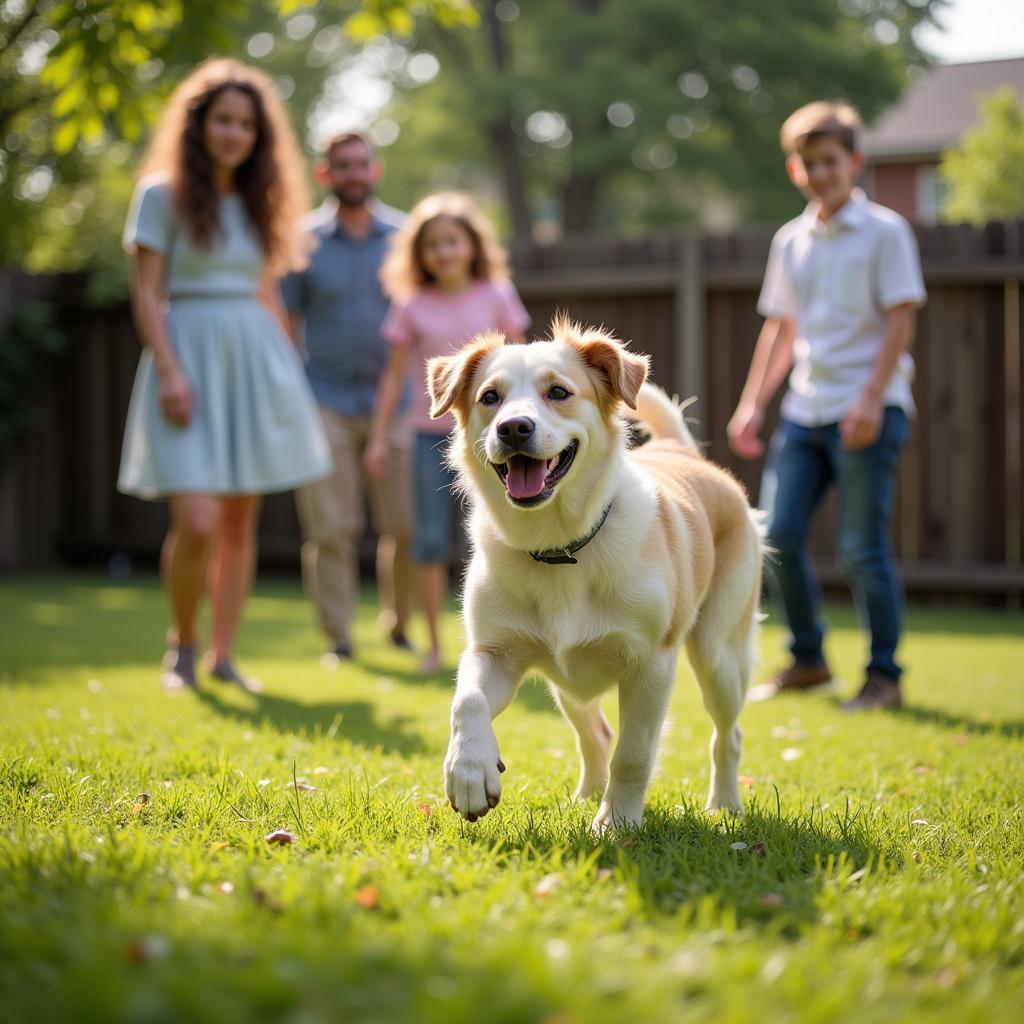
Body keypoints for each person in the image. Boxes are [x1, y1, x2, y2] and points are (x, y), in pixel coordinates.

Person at [118, 58, 332, 692]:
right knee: (199, 521)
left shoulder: (264, 203)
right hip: (185, 355)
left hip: (256, 361)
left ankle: (224, 655)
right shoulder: (161, 195)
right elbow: (146, 294)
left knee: (240, 522)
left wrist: (287, 378)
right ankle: (181, 645)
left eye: (245, 123)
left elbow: (268, 294)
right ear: (199, 124)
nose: (234, 133)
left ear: (259, 135)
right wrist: (170, 371)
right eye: (223, 120)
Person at [726, 100, 926, 711]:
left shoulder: (886, 232)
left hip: (870, 408)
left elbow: (900, 321)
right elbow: (781, 330)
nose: (820, 174)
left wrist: (869, 400)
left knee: (862, 549)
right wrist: (752, 404)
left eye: (831, 162)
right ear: (795, 170)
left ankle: (883, 676)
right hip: (804, 412)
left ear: (855, 163)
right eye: (809, 164)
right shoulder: (791, 241)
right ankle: (808, 659)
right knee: (776, 538)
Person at [366, 192, 530, 673]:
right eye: (433, 245)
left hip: (496, 440)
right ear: (420, 254)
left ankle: (508, 641)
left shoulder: (497, 295)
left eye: (452, 241)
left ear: (472, 245)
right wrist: (379, 437)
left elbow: (524, 366)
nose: (444, 252)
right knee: (430, 541)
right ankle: (438, 646)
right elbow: (394, 376)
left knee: (498, 536)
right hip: (426, 437)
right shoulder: (411, 304)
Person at [281, 132, 413, 664]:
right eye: (343, 166)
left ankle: (399, 624)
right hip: (325, 402)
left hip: (399, 404)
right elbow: (287, 323)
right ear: (324, 174)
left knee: (404, 525)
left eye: (361, 164)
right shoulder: (302, 242)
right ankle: (338, 637)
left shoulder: (407, 237)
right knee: (332, 528)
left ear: (375, 170)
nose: (353, 173)